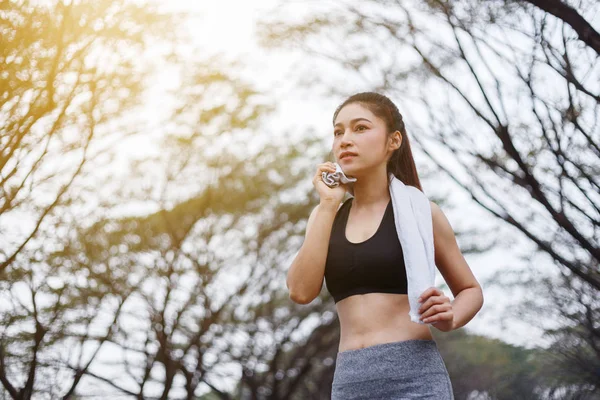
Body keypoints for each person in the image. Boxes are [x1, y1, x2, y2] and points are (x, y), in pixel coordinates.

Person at [286, 92, 484, 399]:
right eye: (338, 132)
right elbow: (300, 291)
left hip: (416, 379)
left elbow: (470, 290)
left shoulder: (422, 212)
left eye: (360, 128)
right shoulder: (326, 216)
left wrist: (452, 316)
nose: (345, 139)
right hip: (350, 381)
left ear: (393, 141)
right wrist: (327, 206)